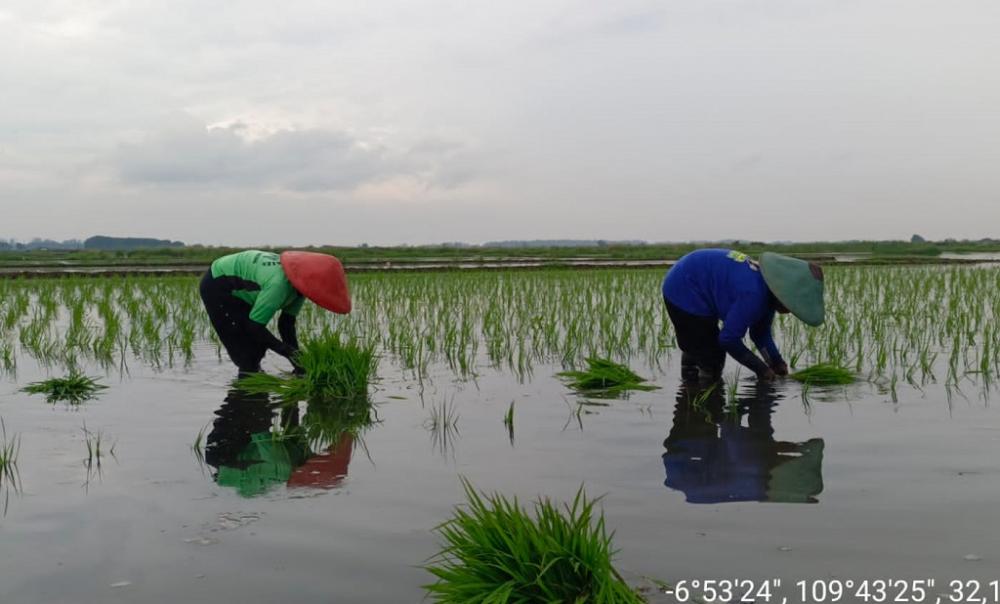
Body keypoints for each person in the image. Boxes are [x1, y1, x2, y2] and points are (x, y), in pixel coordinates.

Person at [662, 249, 824, 382]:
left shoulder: (767, 292)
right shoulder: (753, 294)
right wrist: (761, 369)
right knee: (712, 358)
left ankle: (690, 394)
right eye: (792, 304)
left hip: (695, 282)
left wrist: (776, 362)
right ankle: (701, 400)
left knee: (700, 344)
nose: (790, 310)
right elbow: (728, 339)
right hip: (683, 289)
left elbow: (760, 333)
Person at [199, 250, 351, 373]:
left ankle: (256, 399)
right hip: (218, 284)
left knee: (258, 347)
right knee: (245, 356)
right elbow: (255, 326)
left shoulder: (299, 286)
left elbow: (286, 324)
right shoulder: (278, 284)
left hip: (242, 289)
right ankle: (243, 403)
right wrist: (288, 352)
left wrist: (297, 361)